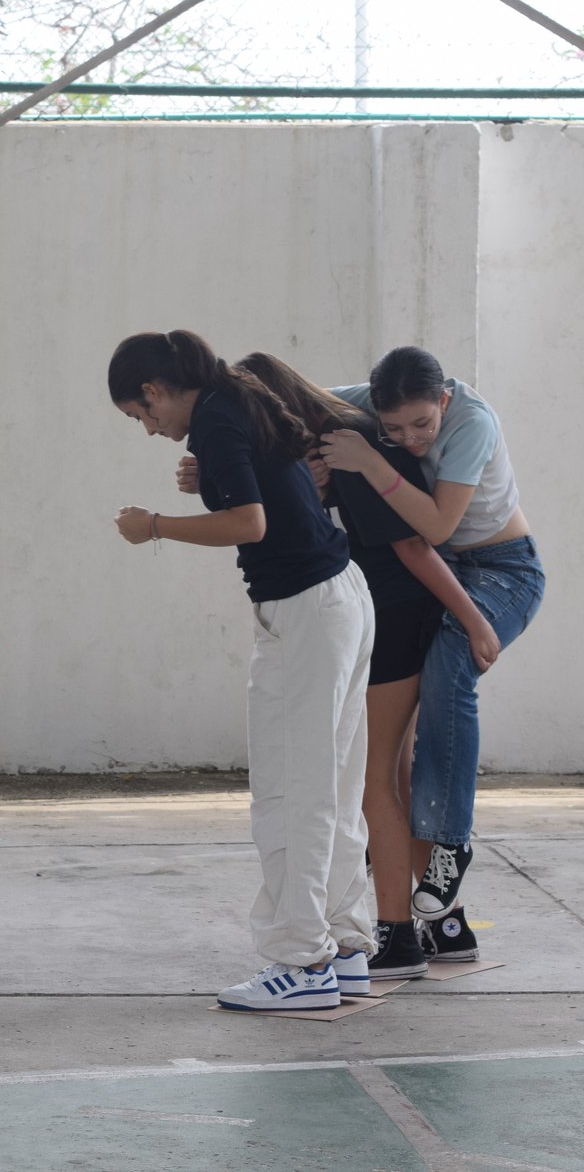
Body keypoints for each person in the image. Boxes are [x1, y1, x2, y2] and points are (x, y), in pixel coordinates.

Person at [108, 330, 374, 1012]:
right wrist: (213, 482)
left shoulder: (216, 418)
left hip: (305, 614)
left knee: (291, 791)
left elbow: (251, 524)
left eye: (141, 415)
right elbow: (267, 491)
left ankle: (300, 961)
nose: (149, 428)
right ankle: (344, 949)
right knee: (333, 787)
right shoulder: (237, 396)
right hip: (342, 596)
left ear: (153, 389)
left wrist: (157, 524)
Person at [239, 355, 500, 978]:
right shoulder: (337, 440)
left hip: (390, 616)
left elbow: (415, 544)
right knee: (396, 776)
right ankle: (449, 926)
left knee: (370, 781)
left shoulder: (348, 446)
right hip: (392, 612)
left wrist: (472, 619)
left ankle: (397, 936)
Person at [321, 347, 545, 955]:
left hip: (502, 567)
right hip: (447, 577)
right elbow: (296, 402)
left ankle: (453, 844)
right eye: (394, 428)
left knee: (450, 676)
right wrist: (205, 466)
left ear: (443, 397)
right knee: (405, 758)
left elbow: (437, 531)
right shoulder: (369, 408)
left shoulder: (471, 420)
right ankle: (447, 925)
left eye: (422, 423)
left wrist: (368, 458)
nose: (410, 438)